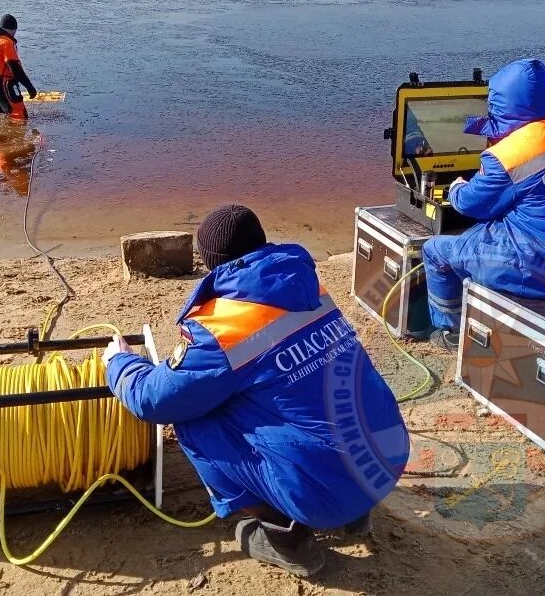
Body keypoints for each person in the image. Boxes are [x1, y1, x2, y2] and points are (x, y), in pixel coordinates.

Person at [103, 205, 409, 577]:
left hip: (327, 496)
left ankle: (286, 539)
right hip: (389, 457)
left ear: (211, 263)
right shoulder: (306, 287)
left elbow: (154, 400)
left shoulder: (225, 327)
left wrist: (119, 364)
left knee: (194, 421)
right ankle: (357, 513)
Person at [421, 58, 545, 347]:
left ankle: (448, 332)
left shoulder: (508, 156)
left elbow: (469, 206)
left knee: (436, 250)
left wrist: (456, 187)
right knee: (482, 236)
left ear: (498, 102)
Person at [0, 13, 37, 121]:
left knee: (0, 118)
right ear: (13, 29)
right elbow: (15, 69)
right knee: (20, 117)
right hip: (5, 85)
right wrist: (30, 87)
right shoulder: (6, 42)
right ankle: (17, 138)